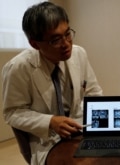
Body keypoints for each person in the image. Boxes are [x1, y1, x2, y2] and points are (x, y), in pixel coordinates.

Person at [1, 2, 102, 165]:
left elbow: (93, 93)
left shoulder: (79, 53)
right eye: (55, 39)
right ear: (34, 44)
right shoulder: (18, 68)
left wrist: (102, 127)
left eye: (67, 34)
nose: (66, 44)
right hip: (47, 140)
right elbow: (12, 112)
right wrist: (50, 122)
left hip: (82, 128)